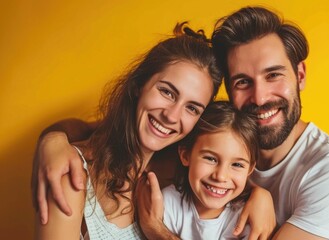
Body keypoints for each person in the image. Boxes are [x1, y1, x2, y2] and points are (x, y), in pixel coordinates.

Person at [34, 22, 223, 239]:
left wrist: (260, 196)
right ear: (138, 85)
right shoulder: (72, 175)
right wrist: (52, 138)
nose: (171, 116)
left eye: (191, 108)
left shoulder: (186, 176)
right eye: (167, 92)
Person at [210, 6, 329, 240]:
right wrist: (256, 191)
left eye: (273, 75)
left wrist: (158, 232)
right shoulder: (212, 149)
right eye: (243, 82)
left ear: (300, 75)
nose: (260, 97)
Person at [162, 101, 260, 239]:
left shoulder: (248, 218)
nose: (220, 176)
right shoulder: (168, 203)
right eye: (210, 159)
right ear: (185, 155)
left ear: (250, 169)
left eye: (237, 165)